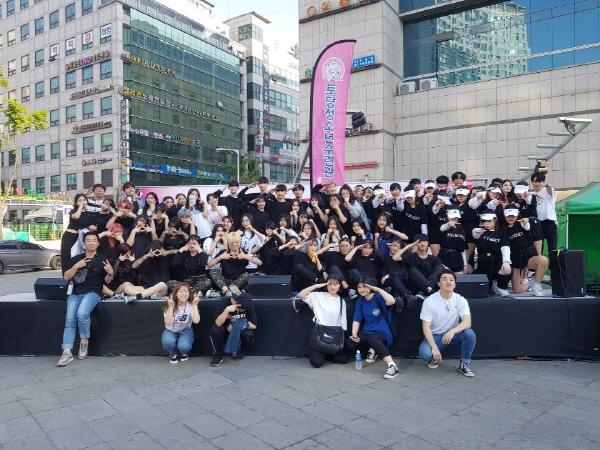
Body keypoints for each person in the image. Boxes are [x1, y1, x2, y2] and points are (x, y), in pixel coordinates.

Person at [57, 232, 113, 367]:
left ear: (98, 244)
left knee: (82, 314)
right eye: (88, 240)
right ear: (83, 243)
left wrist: (110, 272)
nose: (91, 243)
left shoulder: (103, 259)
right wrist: (77, 266)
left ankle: (84, 341)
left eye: (94, 240)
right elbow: (66, 277)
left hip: (93, 292)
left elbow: (107, 281)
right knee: (70, 319)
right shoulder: (76, 259)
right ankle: (66, 351)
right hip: (75, 293)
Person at [419, 269, 476, 377]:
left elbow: (467, 322)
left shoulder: (460, 300)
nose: (448, 281)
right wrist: (434, 347)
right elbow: (426, 327)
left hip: (453, 335)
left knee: (469, 333)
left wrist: (452, 331)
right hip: (435, 336)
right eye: (444, 279)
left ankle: (464, 364)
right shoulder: (429, 301)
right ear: (439, 284)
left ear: (455, 284)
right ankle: (434, 357)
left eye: (451, 280)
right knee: (425, 354)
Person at [348, 278, 400, 379]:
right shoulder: (360, 301)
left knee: (373, 339)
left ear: (371, 286)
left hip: (382, 333)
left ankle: (393, 366)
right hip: (367, 332)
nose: (361, 289)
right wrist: (354, 334)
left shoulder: (378, 297)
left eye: (364, 286)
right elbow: (357, 319)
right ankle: (373, 350)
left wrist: (377, 289)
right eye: (359, 287)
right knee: (350, 342)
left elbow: (392, 301)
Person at [298, 277, 348, 368]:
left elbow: (343, 321)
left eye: (335, 284)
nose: (332, 287)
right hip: (320, 333)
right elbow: (301, 294)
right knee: (316, 363)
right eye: (330, 284)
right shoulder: (318, 296)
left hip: (334, 333)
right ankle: (321, 352)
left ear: (339, 285)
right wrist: (316, 286)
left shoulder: (341, 301)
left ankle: (327, 352)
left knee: (342, 359)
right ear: (326, 285)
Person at [503, 205, 548, 297]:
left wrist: (526, 222)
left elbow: (527, 226)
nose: (511, 217)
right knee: (517, 290)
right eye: (508, 216)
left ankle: (537, 285)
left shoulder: (522, 223)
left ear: (517, 215)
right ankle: (530, 284)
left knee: (543, 260)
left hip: (528, 256)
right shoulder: (503, 229)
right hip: (515, 260)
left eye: (513, 215)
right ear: (505, 216)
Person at [209, 293, 257, 366]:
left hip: (239, 329)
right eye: (239, 308)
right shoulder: (224, 302)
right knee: (215, 330)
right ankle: (218, 354)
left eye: (242, 309)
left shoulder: (248, 303)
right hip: (224, 328)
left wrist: (238, 325)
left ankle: (240, 350)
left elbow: (254, 325)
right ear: (235, 302)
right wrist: (226, 310)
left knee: (248, 334)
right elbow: (217, 323)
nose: (239, 311)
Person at [472, 210, 512, 297]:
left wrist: (506, 261)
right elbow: (474, 232)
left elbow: (505, 248)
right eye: (484, 221)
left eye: (489, 221)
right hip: (483, 264)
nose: (486, 223)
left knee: (507, 269)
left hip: (496, 263)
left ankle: (501, 287)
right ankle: (491, 284)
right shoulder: (479, 232)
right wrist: (479, 230)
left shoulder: (502, 233)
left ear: (495, 220)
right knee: (478, 287)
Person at [162, 282, 200, 364]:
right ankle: (173, 354)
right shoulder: (170, 304)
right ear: (176, 294)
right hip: (170, 330)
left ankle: (184, 353)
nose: (184, 294)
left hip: (185, 330)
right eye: (181, 291)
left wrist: (195, 306)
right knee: (168, 342)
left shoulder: (190, 305)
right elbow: (168, 323)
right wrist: (171, 308)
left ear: (189, 293)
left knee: (184, 346)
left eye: (186, 291)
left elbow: (196, 321)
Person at [60, 194, 96, 273]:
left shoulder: (89, 214)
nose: (82, 202)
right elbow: (76, 217)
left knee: (78, 257)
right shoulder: (73, 211)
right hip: (69, 236)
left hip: (80, 237)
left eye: (84, 200)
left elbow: (90, 226)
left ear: (87, 201)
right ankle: (66, 276)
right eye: (79, 201)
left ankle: (77, 276)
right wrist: (80, 207)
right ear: (76, 203)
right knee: (67, 256)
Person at [531, 172, 558, 271]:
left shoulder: (547, 190)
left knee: (552, 248)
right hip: (538, 224)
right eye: (535, 181)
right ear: (532, 182)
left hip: (549, 223)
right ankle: (536, 272)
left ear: (543, 182)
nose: (537, 184)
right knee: (538, 250)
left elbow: (551, 192)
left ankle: (554, 272)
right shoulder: (532, 194)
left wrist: (549, 187)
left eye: (539, 181)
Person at [404, 234, 444, 298]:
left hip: (431, 286)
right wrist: (408, 246)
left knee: (440, 267)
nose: (422, 244)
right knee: (412, 269)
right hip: (416, 288)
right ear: (416, 244)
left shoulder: (434, 259)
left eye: (424, 242)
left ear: (428, 243)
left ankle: (428, 288)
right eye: (419, 242)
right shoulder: (410, 256)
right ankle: (428, 289)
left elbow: (442, 269)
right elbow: (395, 258)